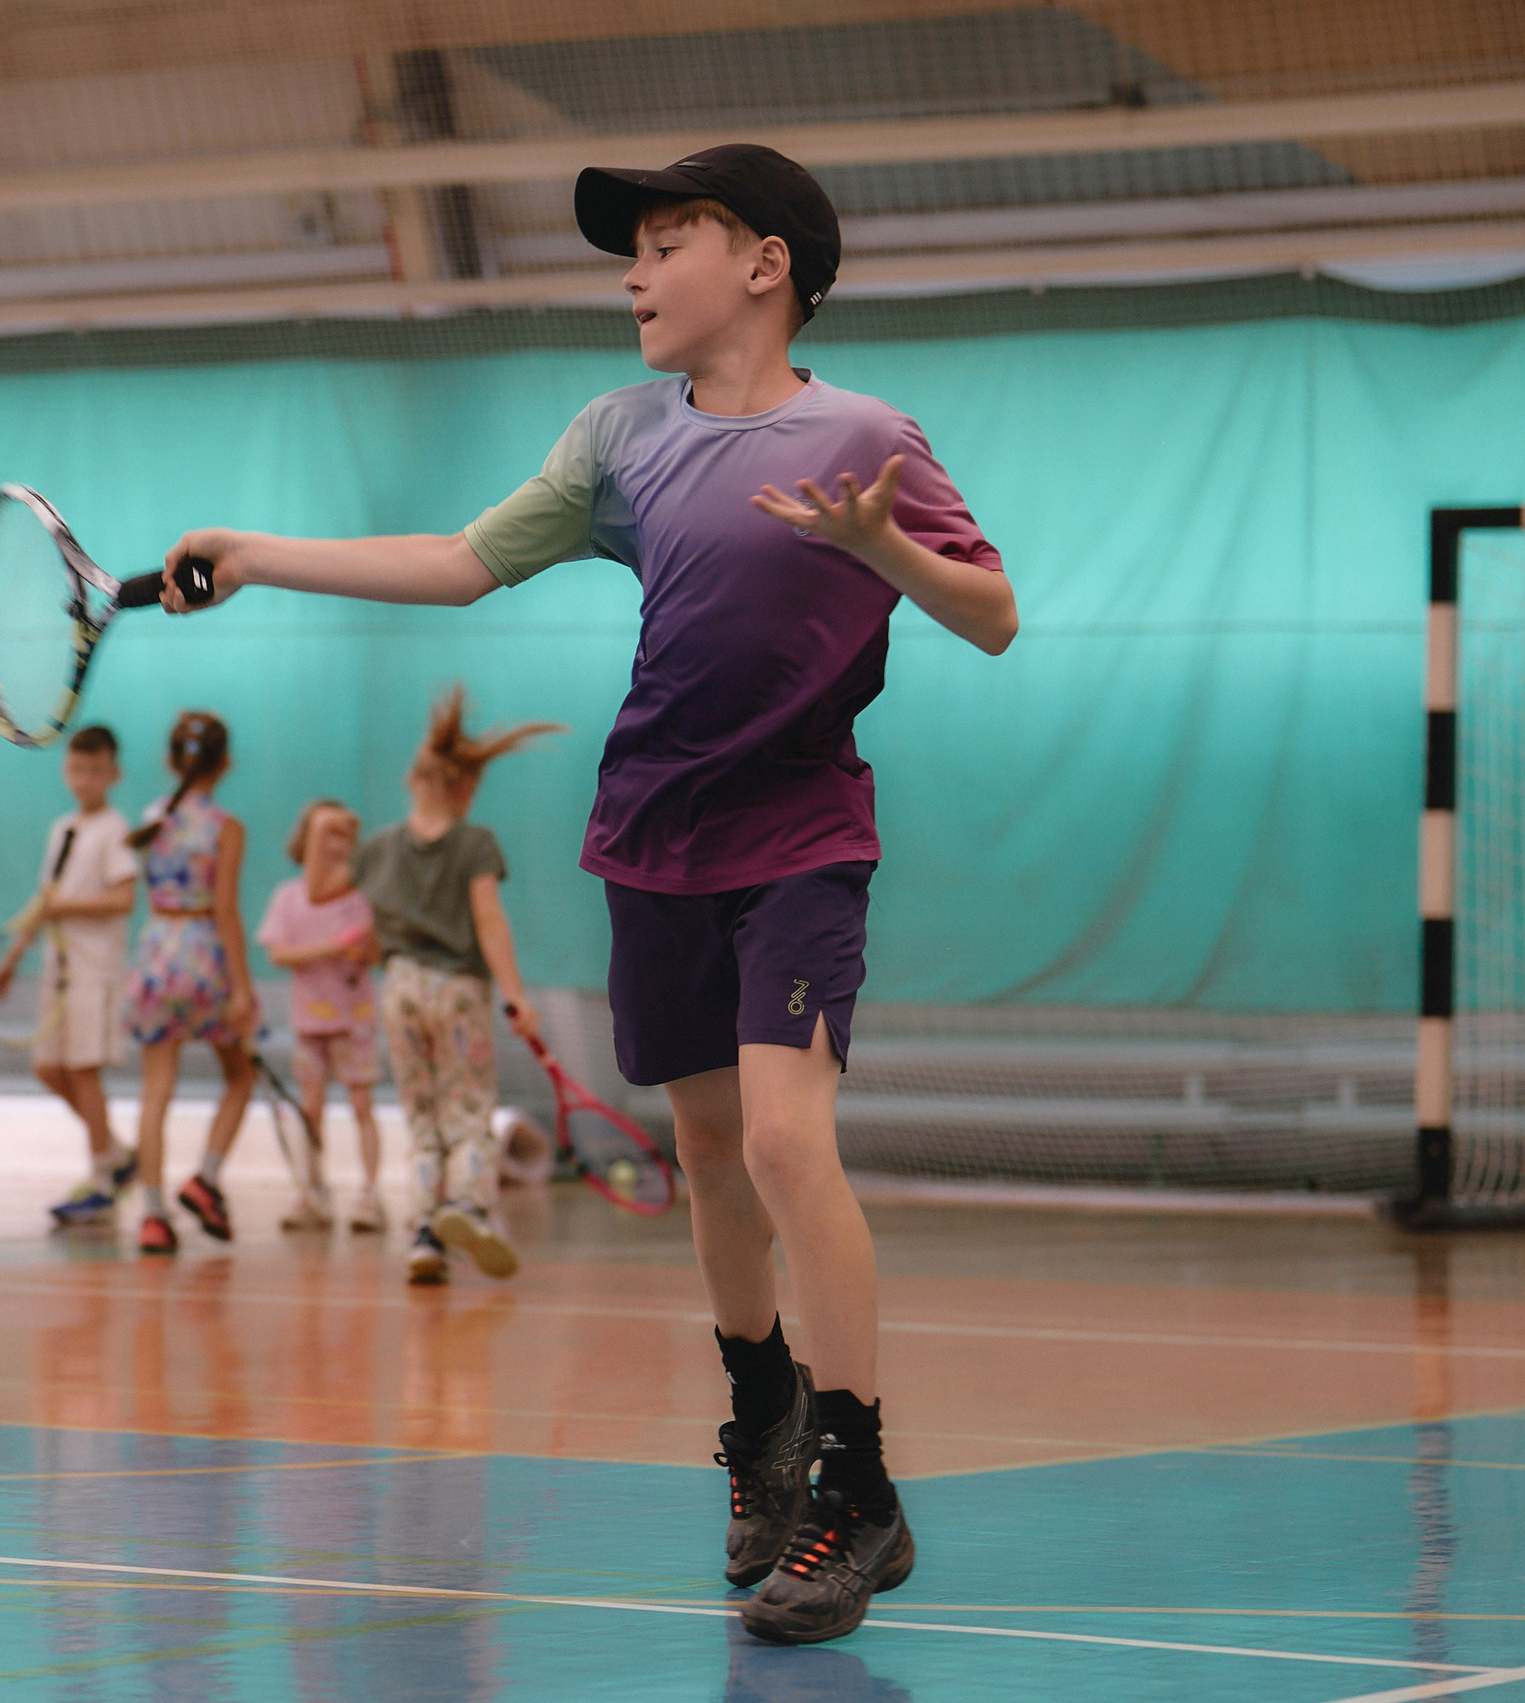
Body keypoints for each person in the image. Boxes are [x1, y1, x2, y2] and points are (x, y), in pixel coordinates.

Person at [158, 145, 1015, 1643]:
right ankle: (762, 1416)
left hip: (800, 834)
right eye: (633, 251)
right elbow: (459, 560)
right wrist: (257, 556)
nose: (633, 275)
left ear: (765, 265)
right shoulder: (619, 434)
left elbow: (993, 613)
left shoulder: (867, 435)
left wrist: (884, 545)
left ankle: (860, 1485)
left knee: (784, 1139)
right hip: (651, 837)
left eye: (666, 243)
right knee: (709, 1151)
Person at [352, 689, 556, 1284]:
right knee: (467, 1109)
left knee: (421, 1116)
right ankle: (465, 1207)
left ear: (412, 780)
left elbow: (350, 913)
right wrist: (516, 995)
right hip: (458, 990)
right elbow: (489, 921)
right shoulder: (475, 843)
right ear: (462, 785)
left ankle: (424, 1233)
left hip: (400, 988)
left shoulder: (379, 848)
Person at [0, 724, 141, 1226]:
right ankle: (117, 1156)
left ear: (113, 774)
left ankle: (101, 1180)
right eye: (77, 769)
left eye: (95, 770)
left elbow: (123, 898)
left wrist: (65, 909)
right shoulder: (62, 829)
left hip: (94, 970)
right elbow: (45, 900)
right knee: (48, 1068)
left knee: (83, 1069)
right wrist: (13, 958)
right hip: (59, 969)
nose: (85, 779)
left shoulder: (115, 830)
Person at [120, 711, 257, 1255]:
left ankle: (152, 1216)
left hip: (156, 952)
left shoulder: (151, 819)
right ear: (226, 763)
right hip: (204, 957)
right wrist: (242, 986)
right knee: (240, 1076)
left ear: (169, 760)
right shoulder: (226, 827)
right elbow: (225, 908)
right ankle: (206, 1178)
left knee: (156, 1091)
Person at [255, 798, 387, 1234]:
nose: (334, 844)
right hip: (309, 1023)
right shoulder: (288, 897)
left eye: (342, 835)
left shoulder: (361, 897)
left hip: (355, 1020)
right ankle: (311, 1192)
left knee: (362, 1104)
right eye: (324, 834)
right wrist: (329, 947)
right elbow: (279, 953)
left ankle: (370, 1194)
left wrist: (362, 949)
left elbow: (375, 952)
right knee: (310, 1108)